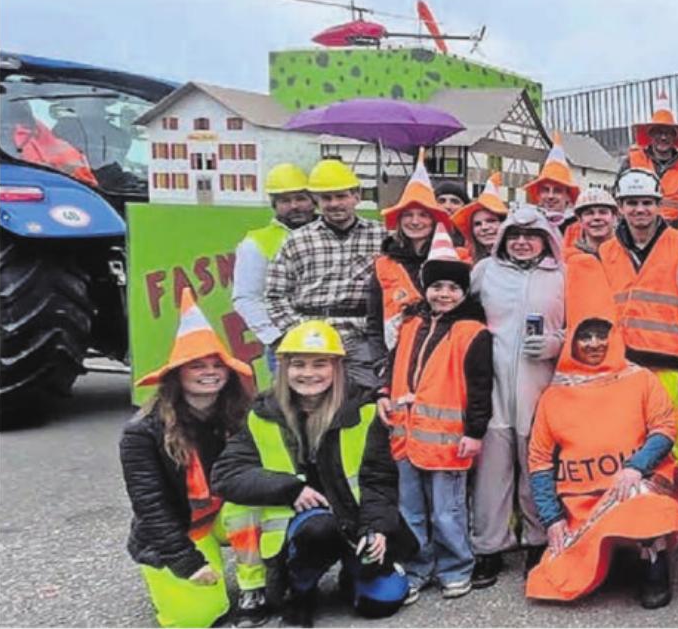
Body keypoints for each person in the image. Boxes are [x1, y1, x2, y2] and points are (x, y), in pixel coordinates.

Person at [210, 320, 414, 627]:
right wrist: (290, 489)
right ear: (283, 368)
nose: (308, 373)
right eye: (298, 364)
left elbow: (378, 480)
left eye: (320, 363)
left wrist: (378, 528)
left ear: (337, 368)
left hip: (353, 518)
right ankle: (300, 590)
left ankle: (352, 574)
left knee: (381, 603)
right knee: (320, 529)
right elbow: (226, 475)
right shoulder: (263, 412)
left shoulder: (363, 410)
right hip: (301, 521)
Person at [525, 252, 678, 606]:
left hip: (632, 489)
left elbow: (664, 428)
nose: (594, 343)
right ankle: (612, 555)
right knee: (553, 582)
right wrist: (552, 519)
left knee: (646, 508)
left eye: (602, 335)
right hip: (580, 505)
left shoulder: (640, 378)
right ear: (573, 343)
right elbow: (539, 462)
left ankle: (651, 562)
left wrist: (635, 467)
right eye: (585, 336)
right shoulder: (555, 394)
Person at [123, 288, 266, 628]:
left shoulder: (240, 415)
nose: (210, 372)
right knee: (200, 617)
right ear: (177, 374)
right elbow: (151, 508)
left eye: (218, 364)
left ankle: (255, 585)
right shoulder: (141, 432)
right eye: (198, 365)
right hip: (180, 529)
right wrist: (187, 563)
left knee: (259, 501)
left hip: (225, 513)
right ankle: (180, 582)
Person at [593, 168, 678, 557]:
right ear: (620, 208)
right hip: (622, 367)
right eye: (632, 203)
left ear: (658, 205)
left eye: (646, 202)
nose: (639, 210)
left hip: (670, 366)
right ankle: (640, 521)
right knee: (628, 446)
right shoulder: (607, 250)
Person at [383, 228, 492, 600]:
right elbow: (393, 364)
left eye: (452, 288)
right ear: (425, 289)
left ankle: (456, 566)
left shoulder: (472, 332)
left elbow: (480, 387)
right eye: (437, 286)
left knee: (447, 511)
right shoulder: (410, 324)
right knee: (410, 509)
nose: (443, 294)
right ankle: (417, 567)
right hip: (406, 434)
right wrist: (384, 393)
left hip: (448, 439)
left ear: (464, 294)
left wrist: (475, 432)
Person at [468, 206, 567, 586]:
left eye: (531, 235)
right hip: (491, 386)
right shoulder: (484, 273)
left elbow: (580, 329)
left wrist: (555, 343)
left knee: (536, 464)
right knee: (492, 472)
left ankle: (539, 539)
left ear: (545, 239)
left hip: (540, 386)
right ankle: (489, 547)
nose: (522, 242)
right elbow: (462, 319)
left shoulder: (562, 276)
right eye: (514, 236)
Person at [265, 159, 387, 393]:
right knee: (300, 403)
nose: (334, 204)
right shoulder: (297, 240)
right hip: (309, 336)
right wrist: (298, 330)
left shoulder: (381, 236)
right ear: (317, 202)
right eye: (326, 198)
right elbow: (275, 295)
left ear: (356, 196)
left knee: (367, 401)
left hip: (361, 336)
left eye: (341, 196)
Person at [233, 163, 316, 372]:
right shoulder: (256, 243)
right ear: (274, 205)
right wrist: (277, 338)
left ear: (314, 201)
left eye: (300, 198)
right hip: (286, 345)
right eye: (285, 200)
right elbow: (247, 297)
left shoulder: (331, 234)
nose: (294, 206)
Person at [366, 163, 454, 354]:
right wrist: (380, 363)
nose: (415, 221)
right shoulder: (383, 265)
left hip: (442, 355)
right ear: (399, 220)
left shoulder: (454, 259)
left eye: (423, 215)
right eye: (408, 215)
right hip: (397, 358)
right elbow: (374, 323)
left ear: (434, 220)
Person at [627, 94, 678, 224]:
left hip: (676, 229)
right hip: (639, 227)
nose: (663, 137)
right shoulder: (632, 160)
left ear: (675, 137)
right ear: (651, 136)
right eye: (658, 132)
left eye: (668, 133)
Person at [526, 135, 581, 229]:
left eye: (557, 191)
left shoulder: (578, 228)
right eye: (545, 190)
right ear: (538, 195)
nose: (550, 196)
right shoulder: (528, 225)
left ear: (568, 196)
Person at [453, 174, 509, 264]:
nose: (484, 227)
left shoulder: (522, 260)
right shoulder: (465, 263)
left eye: (491, 221)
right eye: (477, 224)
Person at [567, 188, 618, 256]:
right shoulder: (569, 256)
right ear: (580, 220)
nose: (596, 217)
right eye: (589, 213)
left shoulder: (629, 253)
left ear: (614, 217)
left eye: (603, 212)